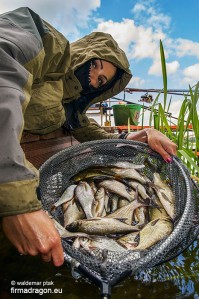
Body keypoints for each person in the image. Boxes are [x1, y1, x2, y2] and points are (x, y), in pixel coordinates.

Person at [0, 7, 177, 267]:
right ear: (84, 50)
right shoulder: (45, 39)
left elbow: (90, 132)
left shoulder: (71, 108)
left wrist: (136, 136)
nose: (92, 76)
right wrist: (17, 201)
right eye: (94, 64)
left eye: (101, 80)